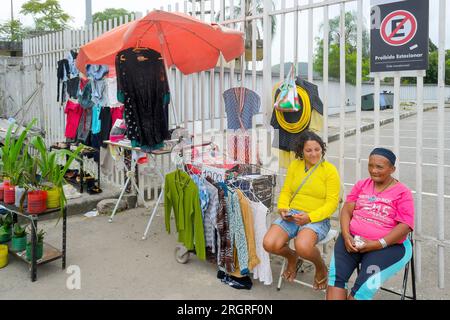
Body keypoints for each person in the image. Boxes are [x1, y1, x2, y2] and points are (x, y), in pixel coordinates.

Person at [326, 148, 414, 300]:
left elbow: (405, 226)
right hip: (352, 240)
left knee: (361, 292)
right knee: (336, 281)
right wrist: (346, 235)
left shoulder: (402, 192)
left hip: (388, 247)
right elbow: (346, 210)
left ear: (392, 169)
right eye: (370, 165)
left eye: (379, 167)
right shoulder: (361, 185)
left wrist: (377, 244)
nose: (374, 170)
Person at [263, 130, 340, 290]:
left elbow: (332, 203)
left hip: (316, 219)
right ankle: (293, 258)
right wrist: (283, 209)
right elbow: (286, 191)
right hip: (292, 214)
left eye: (317, 149)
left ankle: (320, 268)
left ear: (322, 149)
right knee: (269, 244)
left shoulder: (330, 170)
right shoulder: (295, 165)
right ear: (301, 151)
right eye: (309, 150)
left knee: (303, 246)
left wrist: (310, 217)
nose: (313, 154)